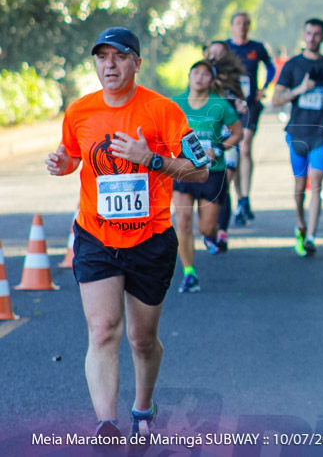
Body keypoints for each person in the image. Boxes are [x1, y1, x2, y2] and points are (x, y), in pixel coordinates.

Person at [46, 27, 210, 441]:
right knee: (102, 330)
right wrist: (61, 163)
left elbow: (201, 169)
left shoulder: (163, 111)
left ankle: (142, 407)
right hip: (95, 236)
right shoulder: (80, 111)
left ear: (137, 62)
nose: (110, 65)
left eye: (119, 57)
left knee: (141, 339)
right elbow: (73, 158)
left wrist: (151, 159)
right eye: (102, 58)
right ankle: (106, 424)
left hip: (150, 240)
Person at [272, 18, 323, 257]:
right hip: (297, 132)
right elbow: (276, 99)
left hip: (321, 131)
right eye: (309, 33)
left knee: (316, 183)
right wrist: (299, 90)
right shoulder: (292, 65)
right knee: (300, 186)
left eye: (317, 34)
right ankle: (300, 224)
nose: (312, 38)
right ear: (304, 35)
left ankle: (312, 235)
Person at [171, 59, 242, 293]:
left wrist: (219, 147)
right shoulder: (176, 103)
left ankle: (211, 237)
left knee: (206, 228)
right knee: (182, 222)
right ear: (189, 76)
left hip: (213, 172)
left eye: (205, 74)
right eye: (195, 72)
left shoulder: (219, 104)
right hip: (183, 170)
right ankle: (189, 273)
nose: (199, 77)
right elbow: (163, 132)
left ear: (212, 80)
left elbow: (237, 133)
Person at [225, 11, 276, 226]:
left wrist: (264, 88)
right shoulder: (225, 47)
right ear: (232, 26)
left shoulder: (257, 48)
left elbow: (272, 68)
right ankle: (241, 200)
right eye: (238, 23)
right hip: (229, 104)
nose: (242, 27)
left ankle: (245, 197)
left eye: (245, 23)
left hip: (250, 104)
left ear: (250, 26)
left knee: (245, 147)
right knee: (233, 152)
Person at [204, 41, 248, 242]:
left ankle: (222, 230)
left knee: (224, 183)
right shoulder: (201, 76)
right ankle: (209, 226)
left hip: (228, 133)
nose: (216, 57)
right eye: (213, 53)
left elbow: (243, 100)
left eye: (220, 53)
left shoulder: (235, 79)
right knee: (209, 184)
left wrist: (241, 105)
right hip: (207, 135)